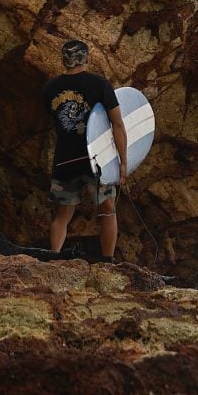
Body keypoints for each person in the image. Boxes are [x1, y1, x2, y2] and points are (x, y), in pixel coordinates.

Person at [43, 39, 128, 260]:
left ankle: (53, 259)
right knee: (107, 210)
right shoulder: (99, 84)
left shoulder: (50, 88)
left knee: (62, 215)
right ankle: (107, 262)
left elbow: (55, 124)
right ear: (86, 57)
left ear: (64, 59)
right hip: (97, 162)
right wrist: (123, 162)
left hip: (64, 161)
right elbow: (117, 124)